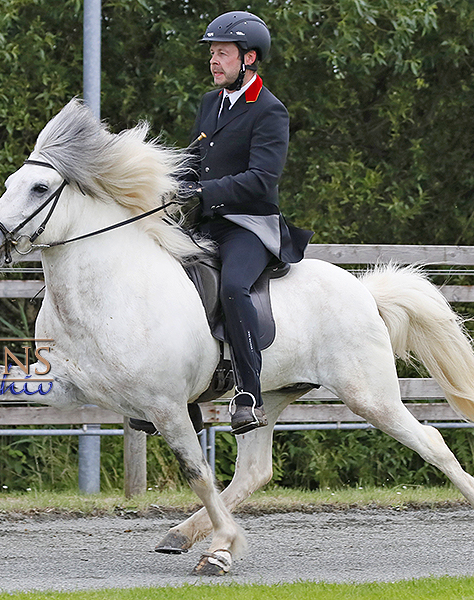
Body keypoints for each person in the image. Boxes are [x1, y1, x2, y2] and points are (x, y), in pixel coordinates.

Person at [179, 11, 313, 435]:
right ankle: (179, 394)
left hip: (249, 225)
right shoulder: (209, 103)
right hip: (205, 222)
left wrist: (205, 192)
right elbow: (195, 160)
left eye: (222, 53)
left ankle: (248, 394)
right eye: (212, 53)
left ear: (249, 58)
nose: (214, 61)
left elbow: (262, 179)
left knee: (234, 288)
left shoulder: (270, 111)